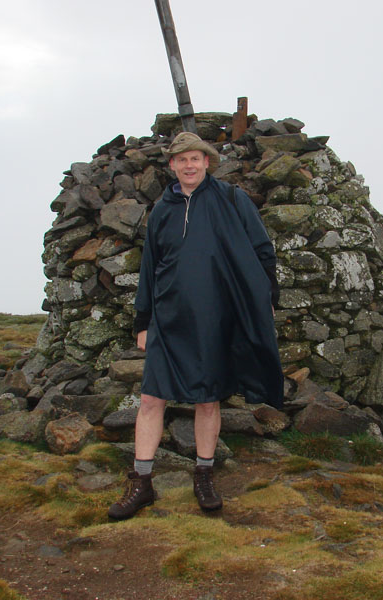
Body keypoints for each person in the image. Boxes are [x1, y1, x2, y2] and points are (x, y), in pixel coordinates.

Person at [107, 131, 283, 520]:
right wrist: (143, 321)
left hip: (216, 318)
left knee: (208, 399)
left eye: (196, 159)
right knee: (152, 398)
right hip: (168, 320)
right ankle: (142, 483)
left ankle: (204, 476)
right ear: (172, 165)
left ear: (207, 163)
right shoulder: (162, 210)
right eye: (182, 159)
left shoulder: (232, 200)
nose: (189, 165)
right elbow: (150, 269)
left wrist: (265, 299)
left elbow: (262, 251)